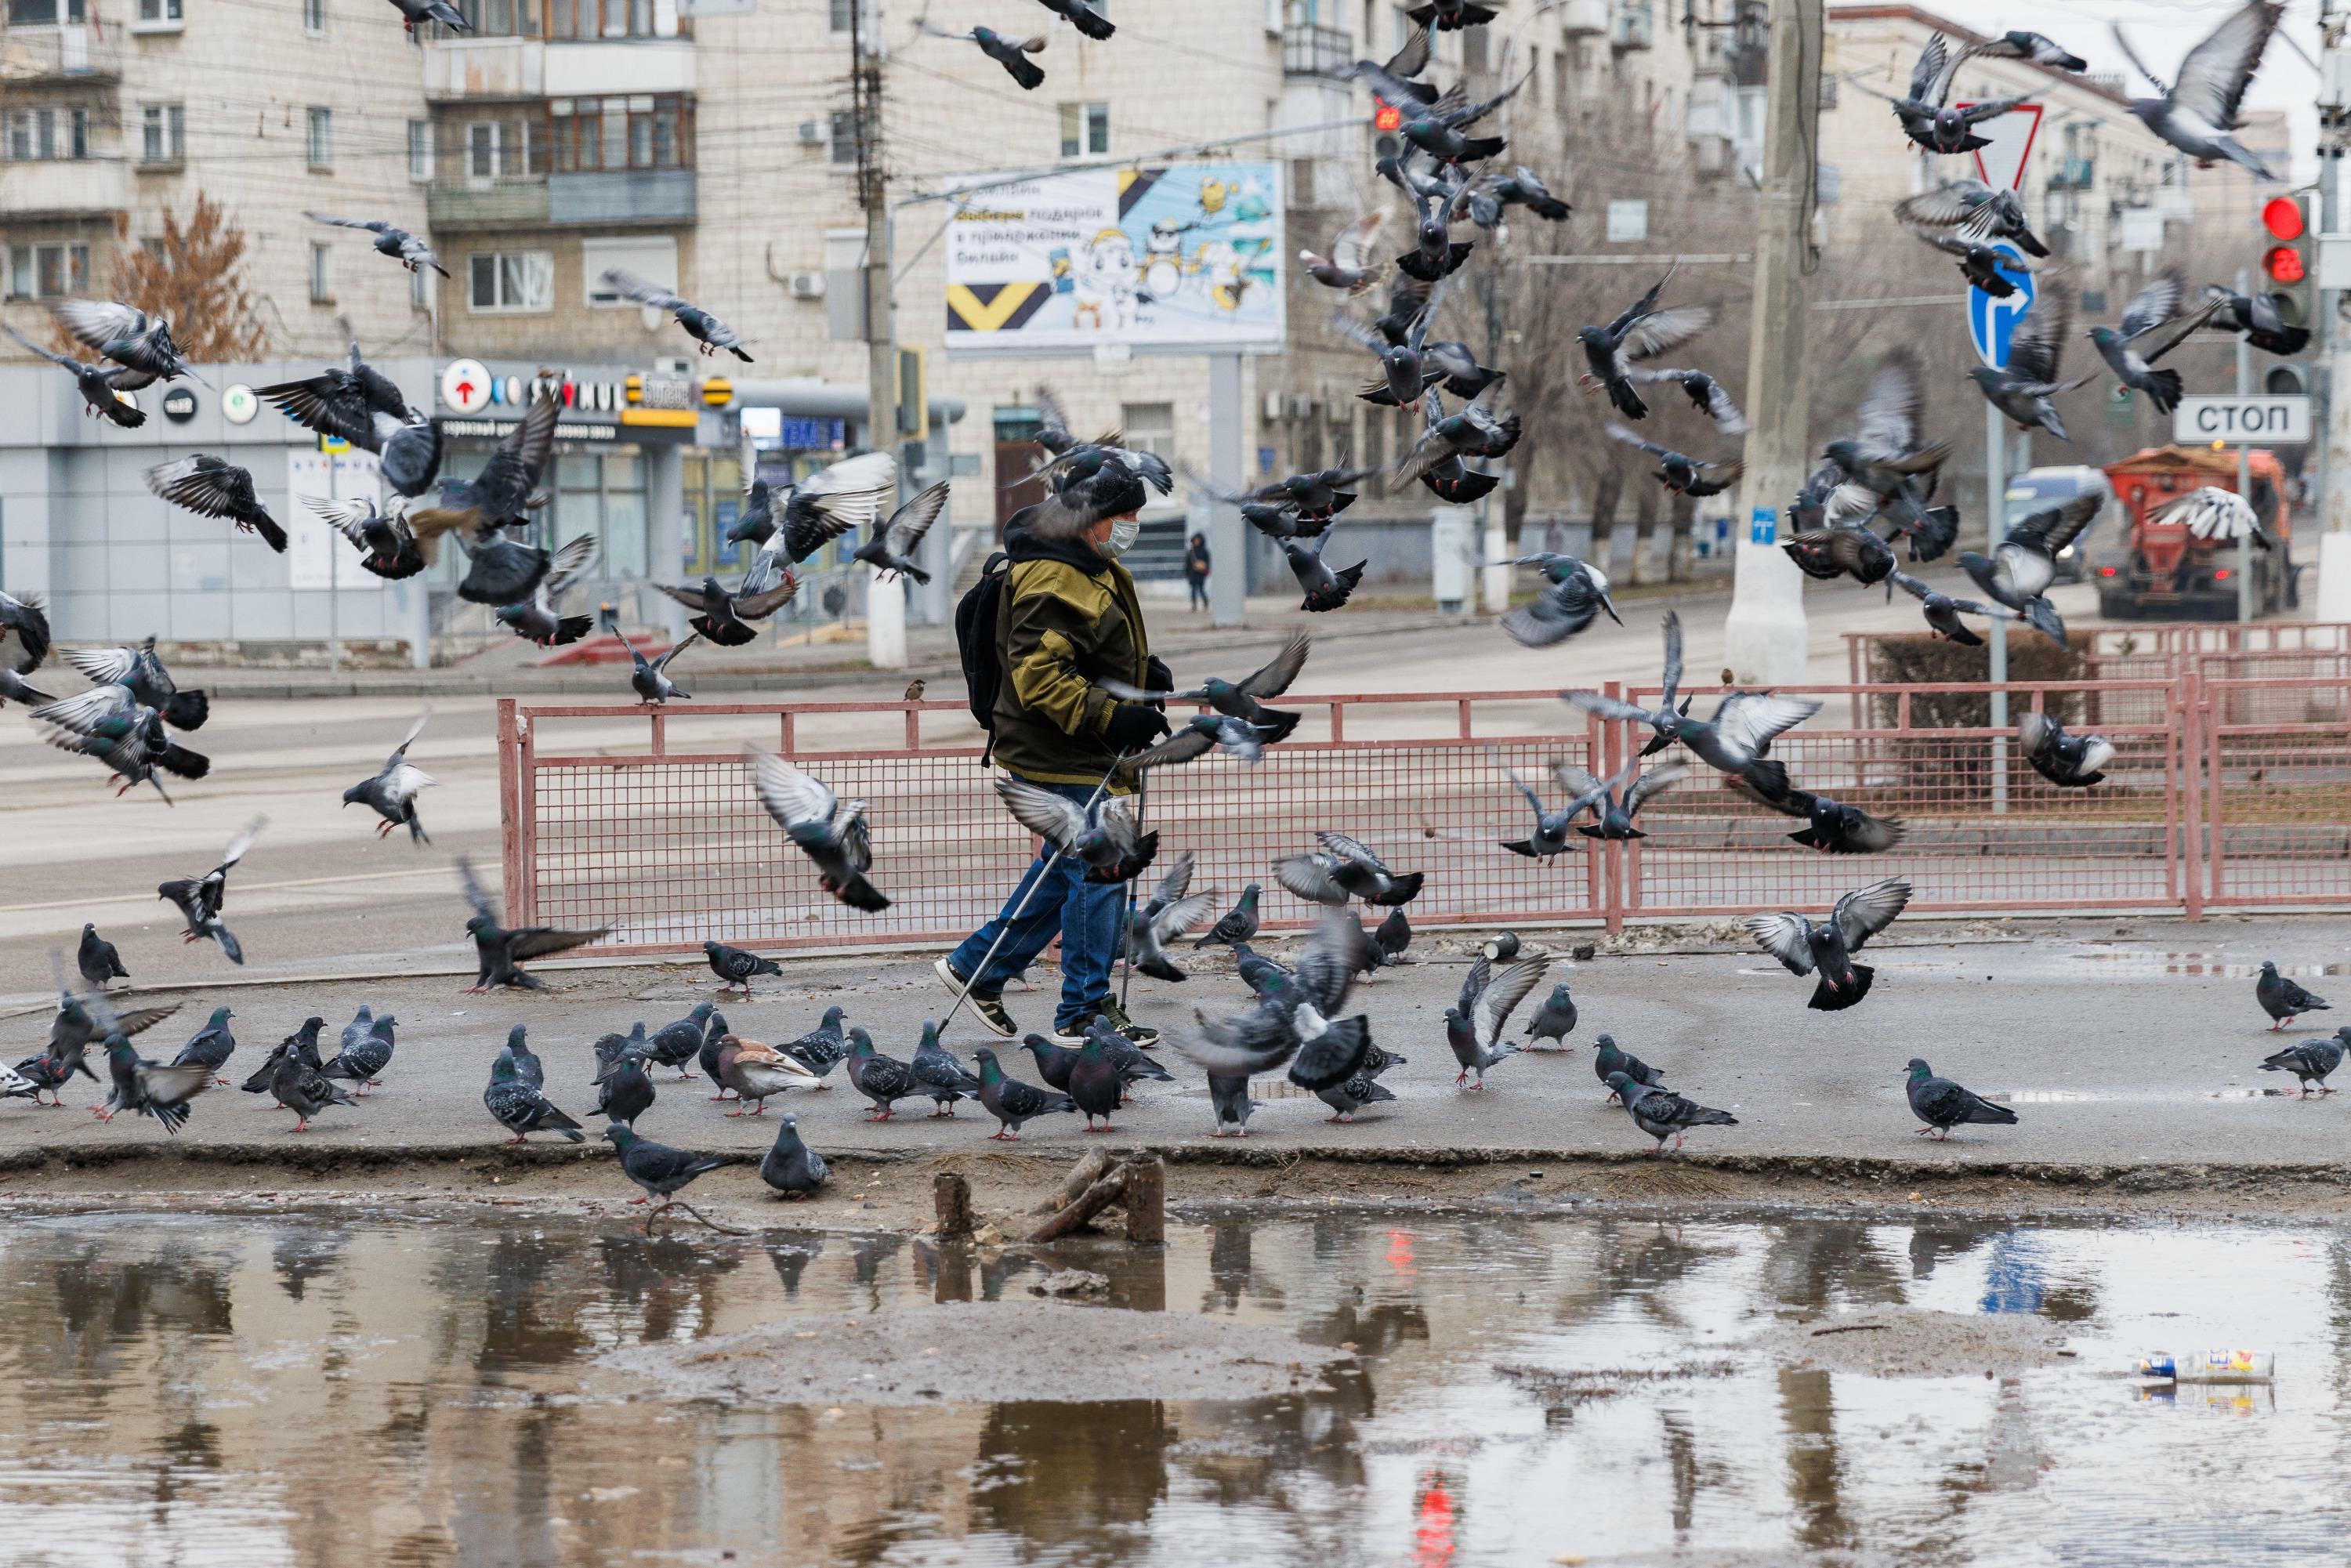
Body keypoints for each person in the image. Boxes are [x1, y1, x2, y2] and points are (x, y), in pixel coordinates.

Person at [937, 470, 1171, 1046]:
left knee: (1062, 870)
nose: (1134, 528)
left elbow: (1091, 642)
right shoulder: (1053, 573)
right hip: (1057, 747)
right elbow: (1040, 675)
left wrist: (1143, 676)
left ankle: (976, 967)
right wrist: (1114, 714)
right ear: (1096, 520)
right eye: (1128, 517)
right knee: (1100, 868)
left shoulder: (1089, 562)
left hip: (1077, 745)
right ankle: (1083, 1012)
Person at [1183, 531, 1212, 612]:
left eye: (1198, 540)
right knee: (1193, 590)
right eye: (1195, 540)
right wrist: (1186, 572)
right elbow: (1188, 563)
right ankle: (1194, 605)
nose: (1196, 542)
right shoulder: (1191, 551)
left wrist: (1207, 570)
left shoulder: (1204, 551)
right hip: (1193, 573)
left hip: (1201, 573)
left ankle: (1205, 602)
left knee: (1201, 589)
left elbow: (1207, 562)